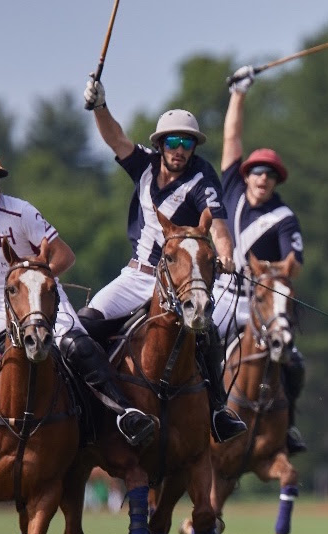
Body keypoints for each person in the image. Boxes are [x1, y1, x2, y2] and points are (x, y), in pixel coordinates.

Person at [0, 143, 157, 479]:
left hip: (40, 303)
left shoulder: (21, 212)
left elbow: (64, 255)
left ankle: (123, 414)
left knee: (78, 347)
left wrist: (37, 283)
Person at [82, 76, 247, 443]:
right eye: (172, 141)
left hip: (178, 280)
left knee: (208, 335)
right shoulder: (143, 164)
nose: (179, 149)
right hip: (136, 275)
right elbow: (115, 138)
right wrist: (99, 106)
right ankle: (97, 410)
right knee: (81, 329)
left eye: (187, 142)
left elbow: (217, 225)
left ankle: (218, 411)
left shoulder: (202, 177)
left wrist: (226, 255)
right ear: (160, 144)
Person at [212, 66, 307, 455]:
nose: (262, 178)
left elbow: (294, 262)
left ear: (275, 181)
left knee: (294, 362)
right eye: (257, 172)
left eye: (270, 174)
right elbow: (232, 137)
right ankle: (200, 413)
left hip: (258, 303)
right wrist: (238, 94)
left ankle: (287, 429)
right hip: (219, 292)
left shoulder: (283, 218)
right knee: (196, 343)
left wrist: (275, 273)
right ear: (247, 175)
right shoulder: (231, 184)